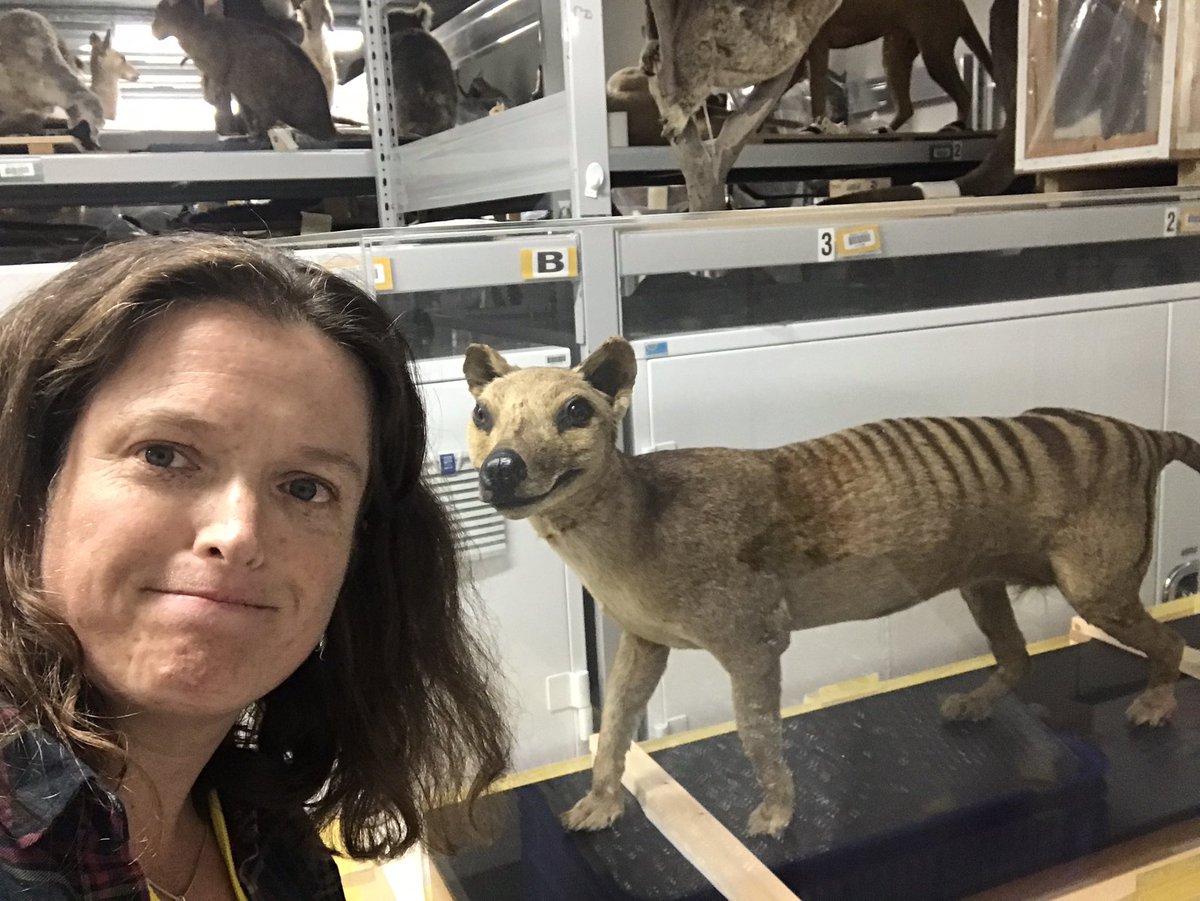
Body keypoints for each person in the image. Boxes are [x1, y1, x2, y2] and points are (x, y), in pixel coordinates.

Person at [0, 234, 511, 900]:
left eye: (305, 488)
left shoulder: (262, 829)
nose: (238, 534)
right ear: (31, 481)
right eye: (163, 454)